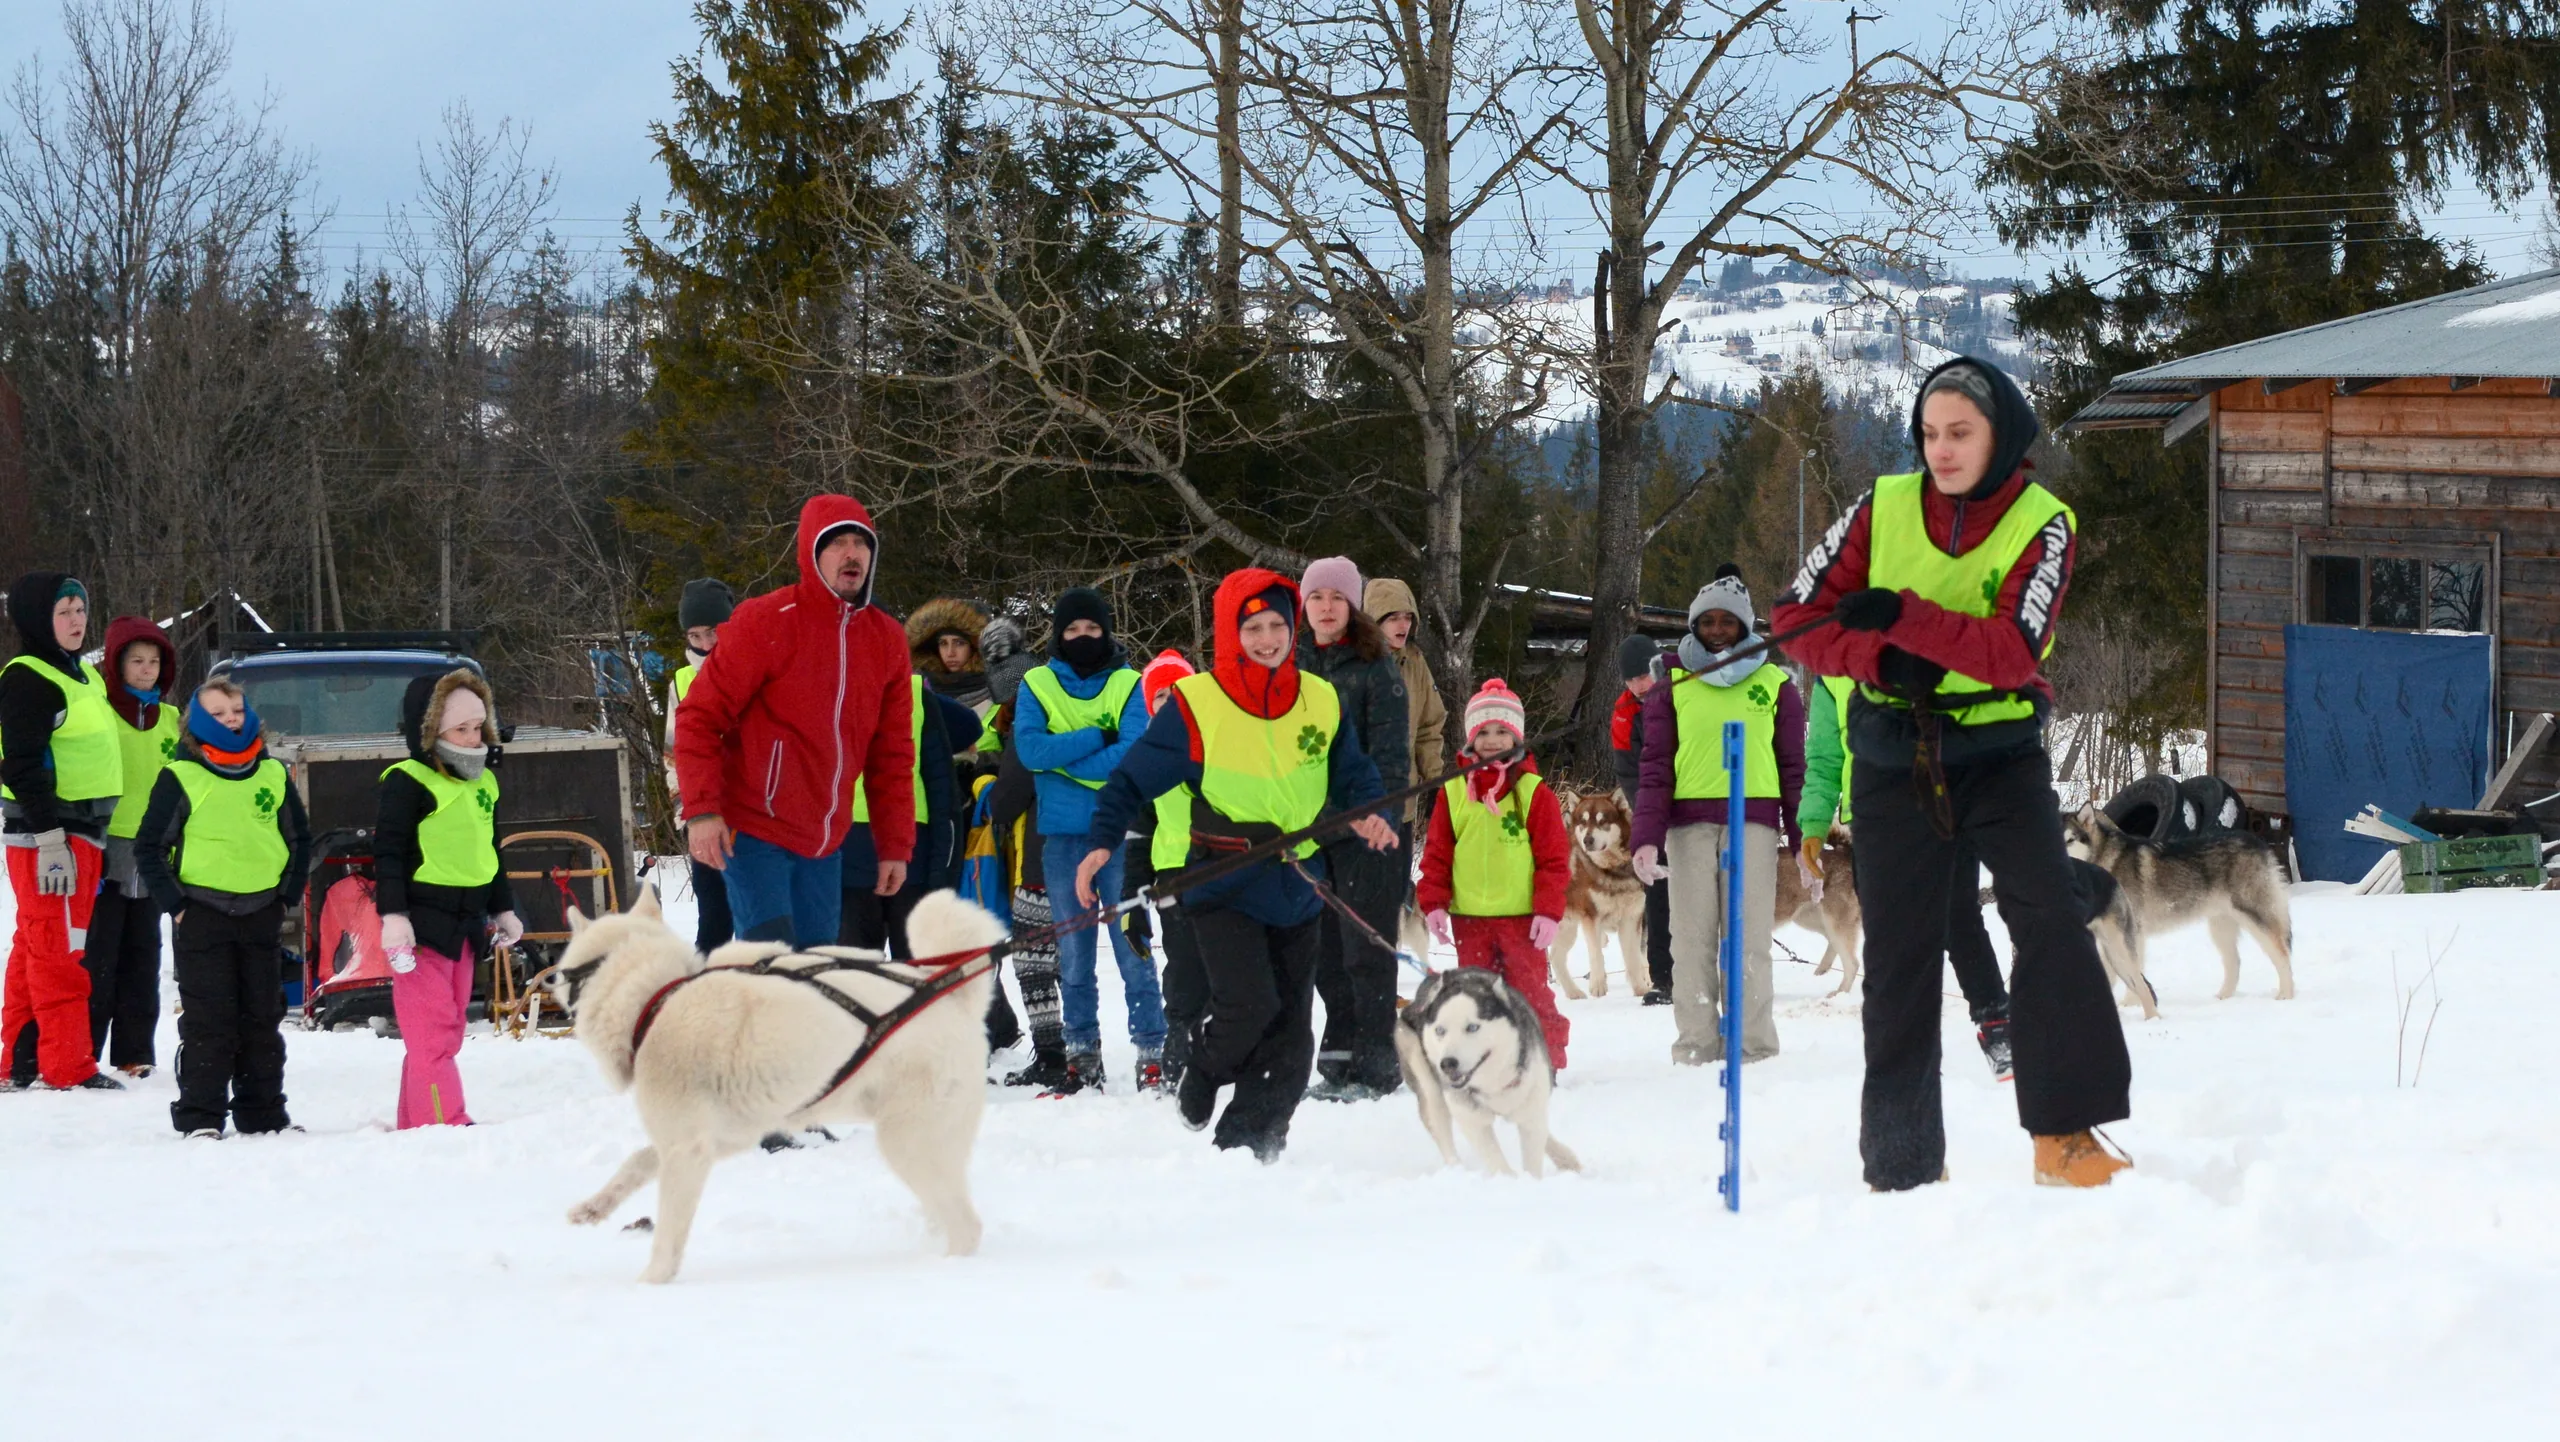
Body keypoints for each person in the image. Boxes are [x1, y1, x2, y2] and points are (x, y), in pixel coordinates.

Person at [1773, 354, 2133, 1190]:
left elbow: (2013, 651)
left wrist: (1904, 621)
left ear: (2000, 434)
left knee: (2047, 919)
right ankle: (1900, 1161)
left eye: (1960, 432)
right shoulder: (1881, 505)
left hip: (1999, 756)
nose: (1941, 449)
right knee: (1899, 958)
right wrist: (1879, 659)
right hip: (1893, 759)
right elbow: (1794, 619)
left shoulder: (2044, 522)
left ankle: (2065, 1135)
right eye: (1929, 433)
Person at [1075, 569, 1395, 1162]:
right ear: (1232, 631)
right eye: (1253, 627)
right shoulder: (1200, 703)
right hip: (1222, 882)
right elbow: (1132, 778)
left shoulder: (1320, 699)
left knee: (1294, 1044)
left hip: (1297, 884)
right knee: (1249, 1006)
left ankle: (1249, 1150)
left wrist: (1371, 813)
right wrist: (1101, 842)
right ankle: (1201, 1069)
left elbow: (1354, 772)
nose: (1268, 638)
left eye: (1278, 624)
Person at [673, 495, 917, 950]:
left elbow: (892, 755)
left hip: (824, 839)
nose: (852, 554)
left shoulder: (886, 639)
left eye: (861, 543)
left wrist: (895, 846)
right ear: (812, 553)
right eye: (837, 543)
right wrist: (703, 811)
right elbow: (699, 718)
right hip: (754, 826)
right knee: (773, 961)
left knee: (815, 971)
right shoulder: (767, 621)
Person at [1798, 670, 2013, 1078]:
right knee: (1886, 930)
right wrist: (1813, 822)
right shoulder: (1831, 675)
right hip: (1872, 814)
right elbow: (1825, 756)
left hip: (1945, 799)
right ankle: (1902, 1036)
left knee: (1958, 915)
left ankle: (1995, 1021)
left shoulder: (1926, 636)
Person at [1631, 566, 1804, 1068]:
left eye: (1729, 622)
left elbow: (1793, 768)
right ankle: (1697, 1046)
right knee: (1691, 940)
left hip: (1752, 821)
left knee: (1748, 941)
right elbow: (1656, 764)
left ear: (1745, 627)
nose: (1718, 630)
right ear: (1694, 625)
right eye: (1709, 621)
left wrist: (1802, 839)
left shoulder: (1775, 684)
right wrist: (1646, 837)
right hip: (1688, 827)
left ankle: (1754, 1047)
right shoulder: (1673, 683)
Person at [133, 679, 311, 1137]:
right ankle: (201, 1116)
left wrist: (286, 896)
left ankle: (263, 1114)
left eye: (236, 708)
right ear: (197, 722)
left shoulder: (271, 774)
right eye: (218, 712)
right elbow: (150, 847)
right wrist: (176, 905)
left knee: (262, 1020)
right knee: (210, 1022)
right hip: (202, 916)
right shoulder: (180, 776)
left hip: (261, 914)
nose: (231, 717)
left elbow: (298, 839)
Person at [1014, 586, 1165, 1094]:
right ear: (1059, 634)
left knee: (1133, 948)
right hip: (1061, 841)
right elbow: (1031, 751)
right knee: (1074, 957)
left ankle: (1152, 1051)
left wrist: (1065, 762)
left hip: (1121, 834)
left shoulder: (1128, 683)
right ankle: (1082, 1055)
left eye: (1092, 629)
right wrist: (1095, 739)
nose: (1083, 637)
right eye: (1073, 629)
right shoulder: (1036, 682)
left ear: (1106, 631)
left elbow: (1133, 754)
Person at [376, 670, 522, 1128]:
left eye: (478, 727)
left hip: (467, 924)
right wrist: (394, 917)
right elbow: (390, 853)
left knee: (448, 1029)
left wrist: (504, 908)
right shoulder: (408, 780)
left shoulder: (484, 784)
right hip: (420, 929)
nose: (473, 737)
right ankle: (444, 1123)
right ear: (432, 730)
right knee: (432, 1033)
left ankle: (415, 1120)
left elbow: (490, 851)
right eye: (461, 728)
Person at [1, 573, 122, 1091]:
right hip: (48, 836)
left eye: (80, 609)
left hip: (83, 833)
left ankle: (19, 1060)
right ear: (37, 620)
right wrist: (49, 838)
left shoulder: (82, 674)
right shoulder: (27, 678)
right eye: (64, 612)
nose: (77, 621)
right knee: (59, 950)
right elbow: (19, 763)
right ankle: (68, 1068)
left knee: (37, 943)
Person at [1297, 557, 1409, 1102]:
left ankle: (1377, 1064)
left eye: (1335, 598)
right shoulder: (1287, 660)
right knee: (1323, 952)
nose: (1325, 607)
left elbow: (1390, 753)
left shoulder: (1376, 665)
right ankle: (1338, 1059)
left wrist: (1379, 816)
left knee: (1367, 950)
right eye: (1316, 597)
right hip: (1306, 831)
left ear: (1352, 606)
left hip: (1368, 829)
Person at [1417, 679, 1571, 1068]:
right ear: (1470, 738)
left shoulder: (1535, 792)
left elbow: (1554, 859)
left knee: (1529, 993)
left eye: (1502, 731)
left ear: (1516, 736)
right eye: (1483, 732)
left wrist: (1548, 910)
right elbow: (1437, 853)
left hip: (1522, 918)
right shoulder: (1453, 791)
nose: (1492, 740)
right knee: (1477, 1002)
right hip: (1470, 917)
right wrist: (1433, 903)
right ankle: (1487, 1064)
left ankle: (1542, 1059)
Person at [840, 667, 982, 956]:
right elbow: (968, 728)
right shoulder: (915, 692)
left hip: (878, 851)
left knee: (862, 979)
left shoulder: (825, 684)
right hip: (893, 851)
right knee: (893, 979)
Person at [93, 614, 181, 1074]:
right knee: (100, 951)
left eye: (153, 662)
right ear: (117, 665)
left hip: (153, 850)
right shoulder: (101, 712)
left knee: (144, 952)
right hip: (106, 846)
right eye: (136, 661)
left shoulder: (170, 719)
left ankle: (133, 1054)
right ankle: (84, 1049)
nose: (146, 670)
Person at [1125, 648, 1204, 1087]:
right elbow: (1137, 833)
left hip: (1221, 870)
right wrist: (1131, 901)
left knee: (1228, 967)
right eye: (1161, 696)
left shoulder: (1217, 742)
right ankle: (1180, 1051)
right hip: (1171, 874)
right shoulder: (1146, 756)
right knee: (1184, 968)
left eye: (1179, 692)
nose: (1170, 701)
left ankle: (1225, 1052)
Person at [666, 578, 736, 952]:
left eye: (713, 633)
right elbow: (672, 757)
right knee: (714, 923)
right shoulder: (683, 680)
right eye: (695, 636)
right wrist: (689, 818)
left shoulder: (755, 666)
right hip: (706, 818)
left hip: (756, 817)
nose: (706, 645)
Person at [1608, 632, 1676, 1006]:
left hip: (1697, 805)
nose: (1638, 685)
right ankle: (1663, 977)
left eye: (1644, 676)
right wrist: (1653, 818)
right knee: (1658, 895)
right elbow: (1629, 773)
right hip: (1655, 812)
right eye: (1631, 680)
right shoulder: (1624, 712)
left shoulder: (1682, 691)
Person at [1361, 577, 1447, 823]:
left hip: (1402, 805)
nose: (1403, 625)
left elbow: (1429, 727)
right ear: (1374, 620)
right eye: (1393, 617)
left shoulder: (1415, 663)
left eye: (1408, 617)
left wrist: (1434, 780)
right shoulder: (1352, 664)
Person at [910, 598, 993, 715]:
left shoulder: (1001, 693)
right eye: (943, 643)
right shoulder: (914, 691)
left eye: (959, 643)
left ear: (976, 647)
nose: (950, 653)